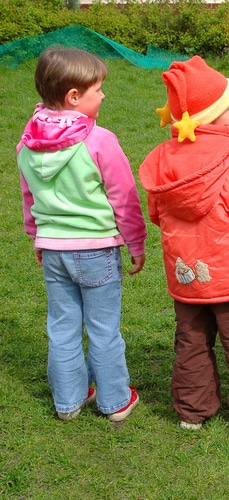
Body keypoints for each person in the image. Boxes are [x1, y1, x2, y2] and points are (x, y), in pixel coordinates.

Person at [139, 56, 229, 432]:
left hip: (186, 274)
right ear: (213, 115)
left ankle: (192, 410)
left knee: (191, 341)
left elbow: (156, 212)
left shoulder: (161, 161)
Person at [16, 47, 145, 422]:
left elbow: (29, 196)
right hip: (97, 252)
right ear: (74, 96)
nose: (103, 95)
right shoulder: (100, 140)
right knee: (104, 329)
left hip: (53, 251)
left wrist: (36, 236)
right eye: (98, 89)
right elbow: (124, 197)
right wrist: (136, 244)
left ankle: (68, 401)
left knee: (63, 325)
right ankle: (115, 400)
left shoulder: (27, 143)